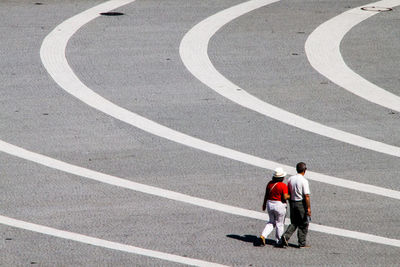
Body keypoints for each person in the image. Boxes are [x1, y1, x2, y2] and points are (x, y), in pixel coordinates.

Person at [280, 162, 311, 248]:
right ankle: (302, 242)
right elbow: (307, 196)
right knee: (303, 223)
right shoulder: (304, 181)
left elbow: (288, 191)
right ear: (305, 170)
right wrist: (308, 208)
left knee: (294, 222)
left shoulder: (290, 179)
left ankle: (286, 236)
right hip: (300, 203)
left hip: (292, 202)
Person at [260, 167, 290, 246]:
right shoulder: (283, 185)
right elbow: (285, 197)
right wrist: (290, 195)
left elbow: (266, 195)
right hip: (279, 205)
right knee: (279, 223)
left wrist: (264, 204)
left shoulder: (270, 183)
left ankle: (263, 236)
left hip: (270, 204)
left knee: (271, 222)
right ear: (282, 177)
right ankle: (279, 240)